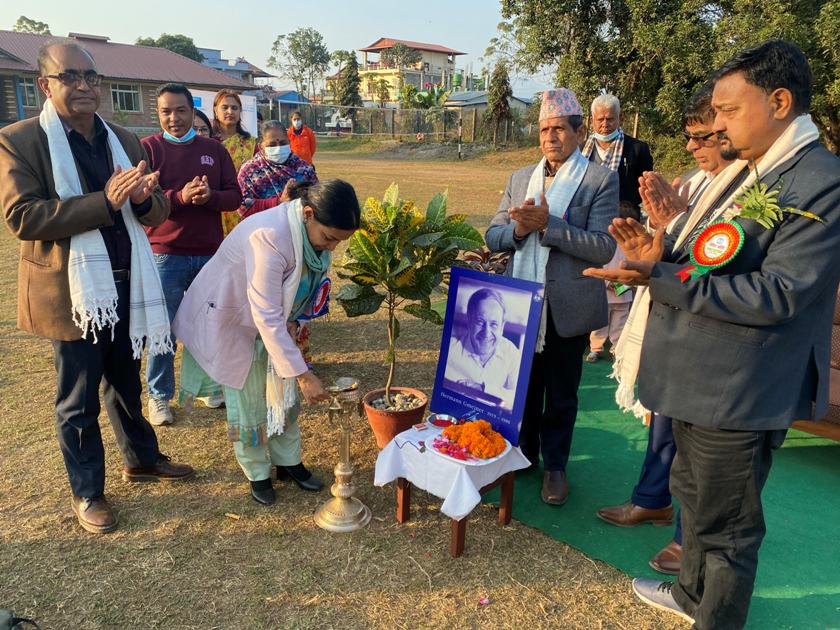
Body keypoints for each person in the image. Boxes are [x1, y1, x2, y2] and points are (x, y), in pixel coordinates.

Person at [584, 40, 840, 629]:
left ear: (779, 101)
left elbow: (779, 293)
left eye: (727, 111)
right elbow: (711, 260)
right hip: (699, 378)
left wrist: (659, 275)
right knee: (696, 502)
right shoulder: (753, 172)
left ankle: (714, 618)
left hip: (740, 391)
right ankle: (690, 595)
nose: (717, 126)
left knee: (727, 528)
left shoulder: (818, 180)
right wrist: (664, 248)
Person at [0, 41, 193, 535]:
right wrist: (104, 202)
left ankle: (142, 459)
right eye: (72, 77)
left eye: (93, 77)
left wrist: (148, 202)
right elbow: (23, 217)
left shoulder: (125, 139)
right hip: (75, 293)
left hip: (128, 282)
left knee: (126, 382)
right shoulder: (21, 140)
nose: (86, 86)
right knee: (79, 396)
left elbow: (153, 213)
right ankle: (87, 491)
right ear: (45, 85)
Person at [596, 83, 737, 576]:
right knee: (661, 420)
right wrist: (654, 245)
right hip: (669, 316)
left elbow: (715, 265)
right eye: (690, 138)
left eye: (702, 137)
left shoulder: (747, 187)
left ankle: (686, 536)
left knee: (696, 446)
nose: (693, 147)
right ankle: (651, 500)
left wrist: (671, 234)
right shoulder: (696, 183)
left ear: (730, 132)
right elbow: (670, 253)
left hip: (709, 334)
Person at [172, 180, 361, 505]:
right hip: (232, 320)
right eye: (329, 238)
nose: (331, 248)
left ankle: (288, 463)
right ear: (308, 213)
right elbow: (266, 315)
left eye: (339, 242)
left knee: (284, 396)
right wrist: (304, 375)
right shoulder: (270, 237)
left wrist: (295, 321)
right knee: (248, 402)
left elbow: (305, 289)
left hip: (272, 321)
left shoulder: (312, 237)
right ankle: (257, 472)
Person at [486, 88, 618, 505]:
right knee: (522, 385)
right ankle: (523, 453)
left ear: (579, 132)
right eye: (544, 129)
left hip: (567, 307)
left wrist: (550, 226)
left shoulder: (600, 179)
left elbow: (602, 247)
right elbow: (493, 236)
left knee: (561, 392)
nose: (550, 137)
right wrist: (520, 231)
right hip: (521, 301)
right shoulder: (519, 178)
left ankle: (556, 467)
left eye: (559, 128)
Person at [141, 83, 242, 425]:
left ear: (193, 111)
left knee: (208, 325)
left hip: (209, 254)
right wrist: (181, 196)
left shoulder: (213, 150)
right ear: (158, 114)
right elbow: (143, 201)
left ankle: (208, 386)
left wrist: (209, 196)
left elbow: (234, 196)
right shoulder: (148, 149)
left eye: (180, 110)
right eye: (166, 111)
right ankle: (158, 396)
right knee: (163, 329)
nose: (174, 118)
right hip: (165, 254)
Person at [444, 288, 520, 409]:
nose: (487, 333)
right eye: (480, 322)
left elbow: (517, 398)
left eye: (494, 324)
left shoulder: (512, 353)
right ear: (469, 321)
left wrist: (482, 389)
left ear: (502, 326)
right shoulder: (450, 351)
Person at [581, 94, 653, 220]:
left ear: (620, 118)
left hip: (624, 220)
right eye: (600, 119)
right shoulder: (580, 150)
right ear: (592, 120)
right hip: (586, 218)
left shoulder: (637, 149)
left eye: (610, 119)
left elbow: (646, 187)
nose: (605, 124)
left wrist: (625, 204)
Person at [237, 120, 318, 220]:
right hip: (264, 230)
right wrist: (278, 202)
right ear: (261, 146)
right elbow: (243, 208)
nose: (278, 148)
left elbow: (317, 200)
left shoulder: (304, 168)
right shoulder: (248, 171)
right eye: (272, 145)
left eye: (283, 143)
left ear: (289, 142)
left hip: (300, 228)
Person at [213, 89, 258, 235]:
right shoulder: (208, 142)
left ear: (240, 112)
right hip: (214, 205)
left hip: (243, 208)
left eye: (234, 107)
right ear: (215, 110)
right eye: (224, 107)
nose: (230, 111)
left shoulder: (251, 144)